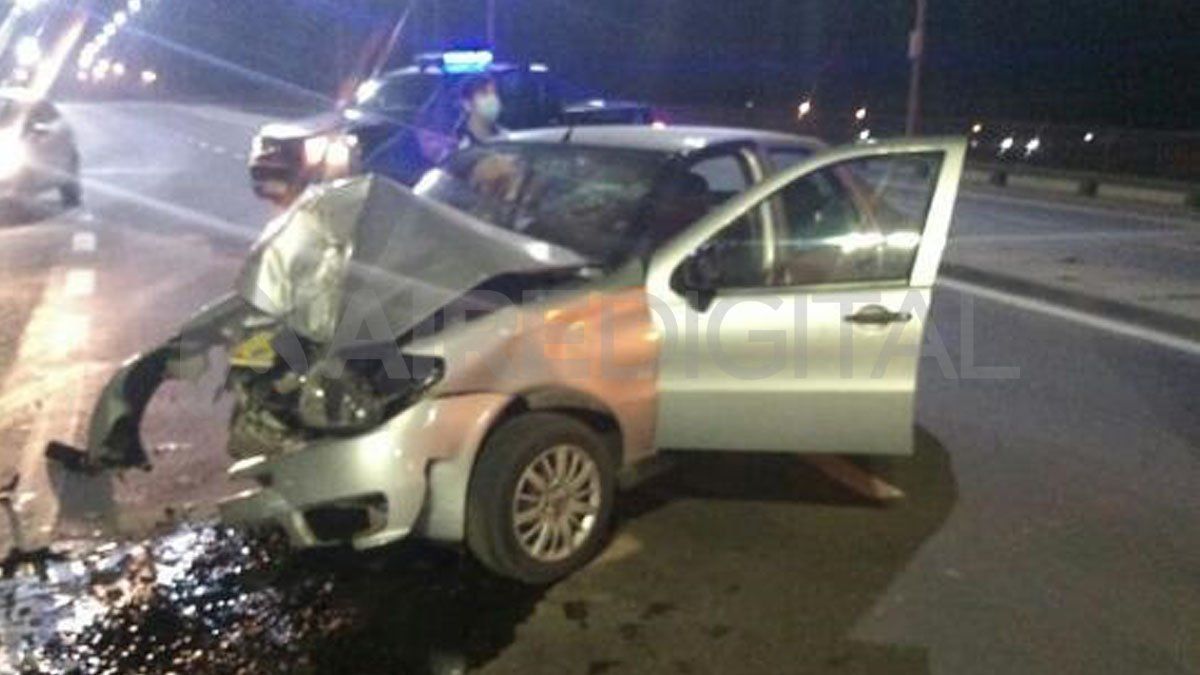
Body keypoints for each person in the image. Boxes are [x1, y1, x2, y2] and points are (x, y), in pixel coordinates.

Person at [455, 75, 506, 148]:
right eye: (484, 94)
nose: (492, 99)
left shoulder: (509, 140)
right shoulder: (457, 145)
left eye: (494, 93)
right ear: (467, 104)